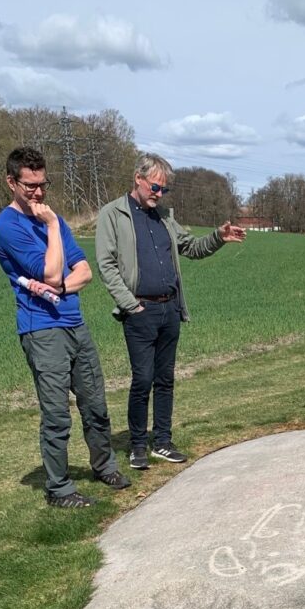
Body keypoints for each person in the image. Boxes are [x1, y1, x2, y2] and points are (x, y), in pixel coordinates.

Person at [0, 147, 130, 508]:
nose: (38, 193)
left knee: (95, 404)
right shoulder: (7, 226)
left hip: (74, 322)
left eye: (43, 184)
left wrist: (62, 285)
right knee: (56, 414)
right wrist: (51, 227)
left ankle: (104, 466)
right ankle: (59, 488)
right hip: (40, 329)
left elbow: (83, 271)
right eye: (30, 186)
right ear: (12, 182)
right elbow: (52, 271)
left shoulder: (56, 219)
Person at [95, 153, 245, 469]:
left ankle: (162, 441)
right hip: (140, 311)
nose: (158, 194)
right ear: (138, 178)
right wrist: (129, 304)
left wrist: (218, 237)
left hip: (170, 310)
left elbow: (190, 248)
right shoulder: (113, 214)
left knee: (165, 380)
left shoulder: (164, 217)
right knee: (142, 380)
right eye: (155, 187)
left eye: (164, 189)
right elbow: (106, 265)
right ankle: (137, 445)